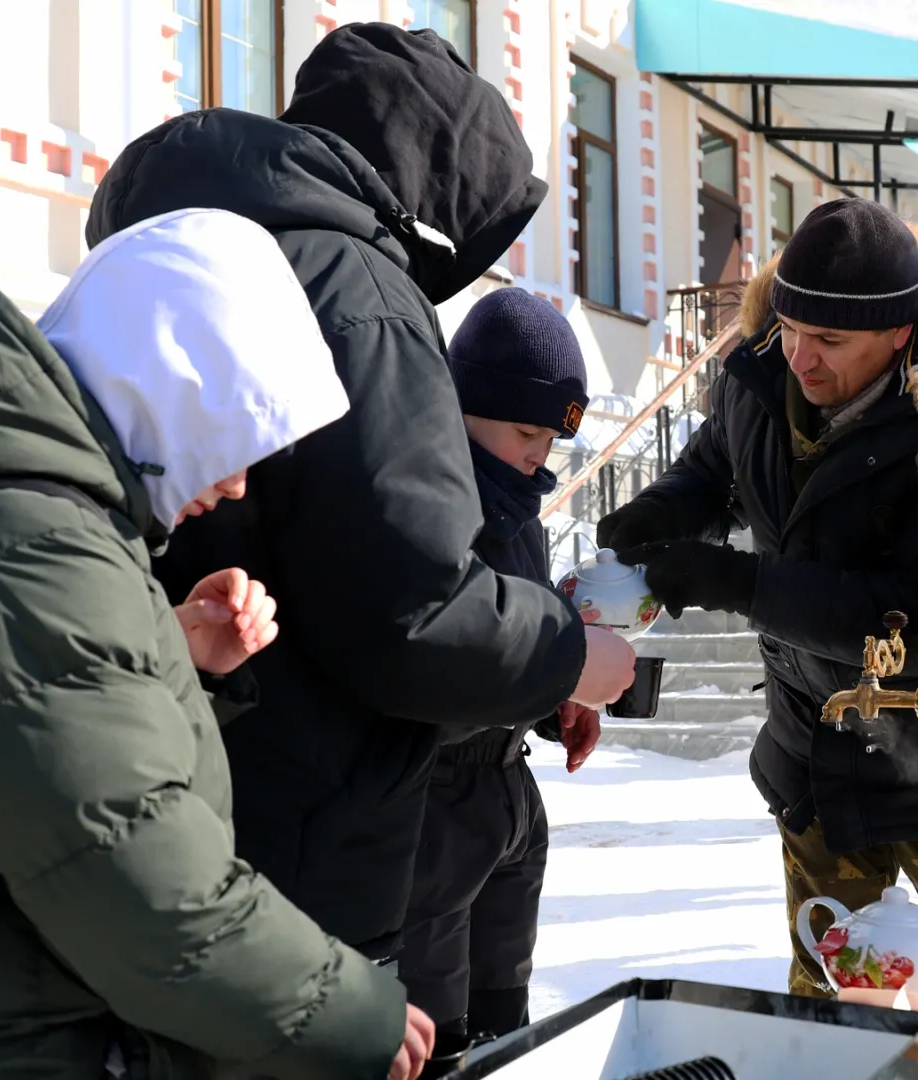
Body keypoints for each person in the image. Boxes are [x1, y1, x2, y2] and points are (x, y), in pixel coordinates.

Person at [0, 209, 438, 1079]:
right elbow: (148, 899)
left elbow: (41, 773)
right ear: (166, 381)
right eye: (233, 432)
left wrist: (170, 660)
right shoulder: (26, 554)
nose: (239, 483)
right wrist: (355, 1010)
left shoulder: (9, 513)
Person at [85, 23, 636, 970]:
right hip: (305, 857)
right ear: (437, 174)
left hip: (163, 801)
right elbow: (407, 608)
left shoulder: (172, 245)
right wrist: (564, 656)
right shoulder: (358, 291)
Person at [595, 199, 918, 996]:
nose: (801, 357)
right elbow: (711, 464)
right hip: (813, 768)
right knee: (832, 1017)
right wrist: (667, 509)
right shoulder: (761, 369)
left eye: (830, 341)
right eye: (793, 329)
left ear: (900, 334)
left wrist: (740, 583)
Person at [398, 289, 601, 1073]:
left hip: (506, 799)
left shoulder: (520, 503)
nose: (539, 455)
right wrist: (550, 669)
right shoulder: (436, 505)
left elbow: (517, 641)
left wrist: (559, 700)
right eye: (526, 431)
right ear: (466, 407)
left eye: (551, 438)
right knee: (436, 1043)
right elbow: (432, 670)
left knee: (505, 1031)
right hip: (436, 815)